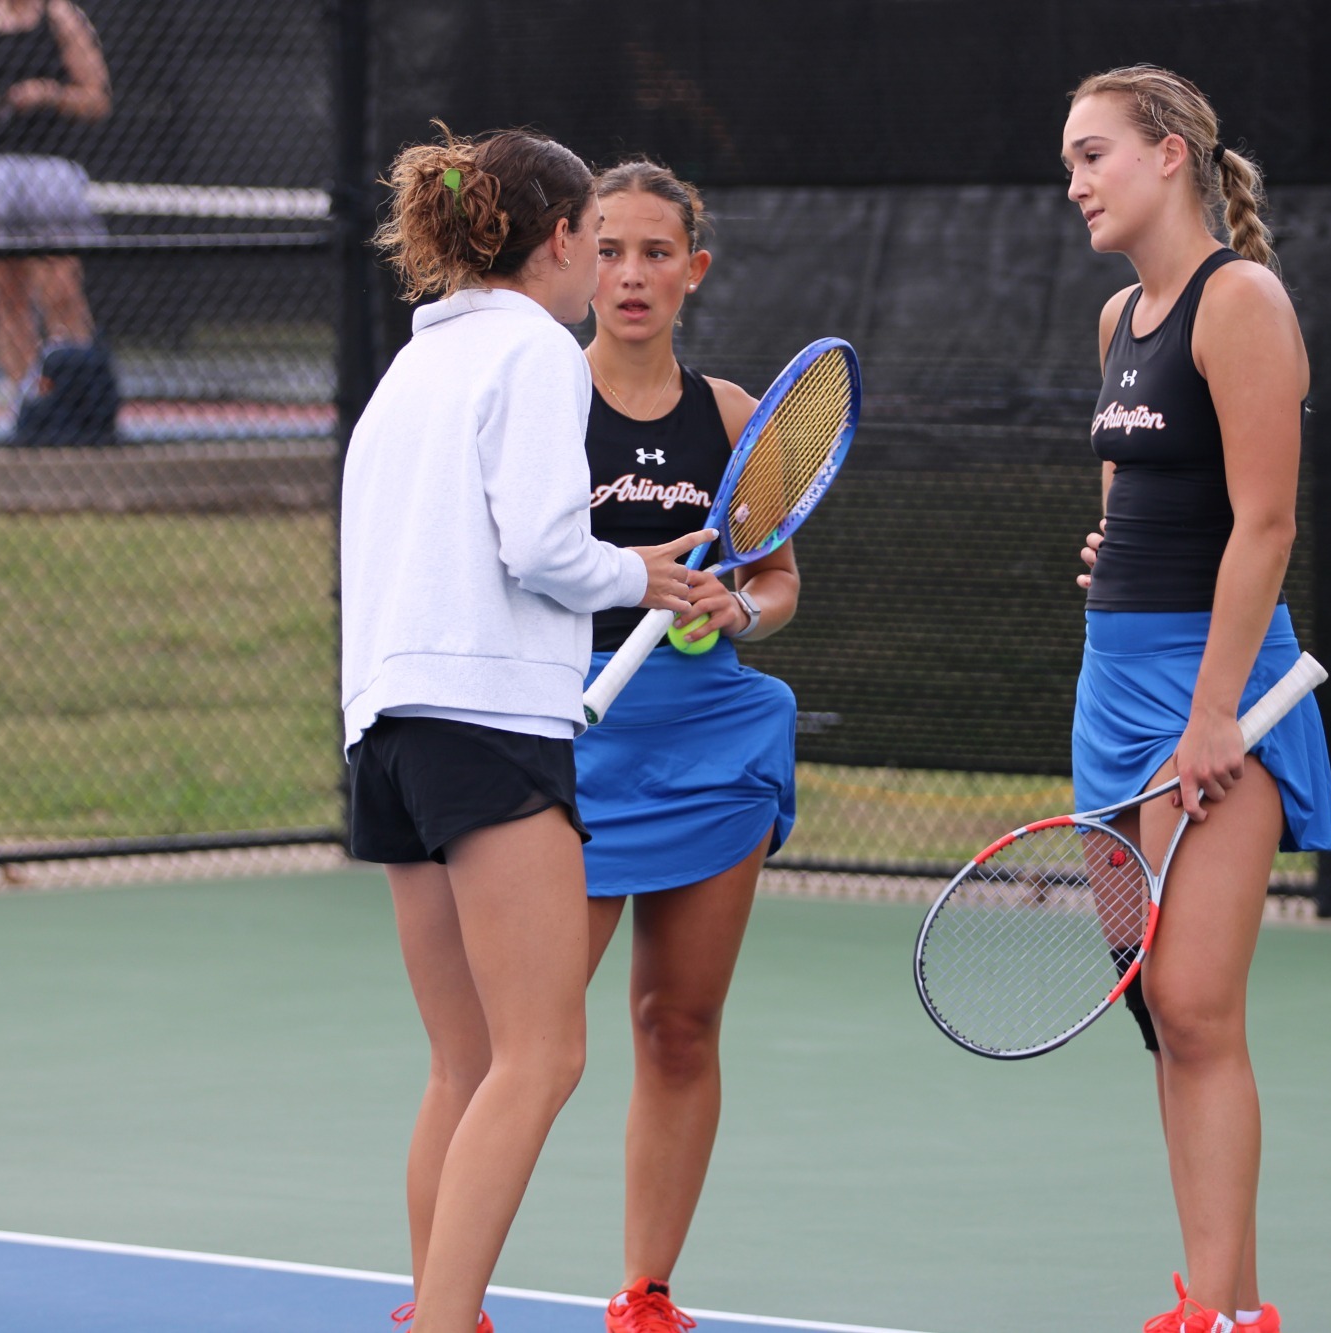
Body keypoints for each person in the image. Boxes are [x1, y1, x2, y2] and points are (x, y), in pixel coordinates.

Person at [341, 127, 713, 1333]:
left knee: (466, 1062)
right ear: (559, 240)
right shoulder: (536, 357)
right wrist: (643, 573)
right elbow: (546, 549)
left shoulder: (411, 370)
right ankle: (447, 1322)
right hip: (489, 732)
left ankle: (432, 1309)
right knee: (542, 1055)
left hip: (384, 737)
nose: (608, 267)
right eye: (594, 241)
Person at [1060, 65, 1331, 1333]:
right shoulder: (1119, 317)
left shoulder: (1242, 301)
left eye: (1091, 155)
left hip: (1212, 690)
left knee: (1193, 1003)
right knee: (1149, 1012)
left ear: (1167, 153)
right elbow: (1146, 488)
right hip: (1109, 685)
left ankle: (1225, 1316)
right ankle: (1209, 1296)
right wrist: (1106, 550)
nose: (1074, 185)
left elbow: (1267, 520)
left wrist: (1216, 711)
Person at [572, 161, 801, 1333]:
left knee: (677, 1022)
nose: (628, 274)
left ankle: (645, 1294)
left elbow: (776, 580)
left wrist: (737, 611)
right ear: (575, 260)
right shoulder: (543, 399)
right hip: (567, 742)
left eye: (654, 252)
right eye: (607, 248)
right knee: (523, 1041)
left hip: (710, 738)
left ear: (691, 271)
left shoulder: (728, 416)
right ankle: (449, 1291)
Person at [0, 0, 109, 392]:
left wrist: (48, 94)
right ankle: (27, 400)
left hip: (48, 170)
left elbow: (96, 98)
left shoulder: (59, 16)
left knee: (62, 289)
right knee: (8, 297)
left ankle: (75, 392)